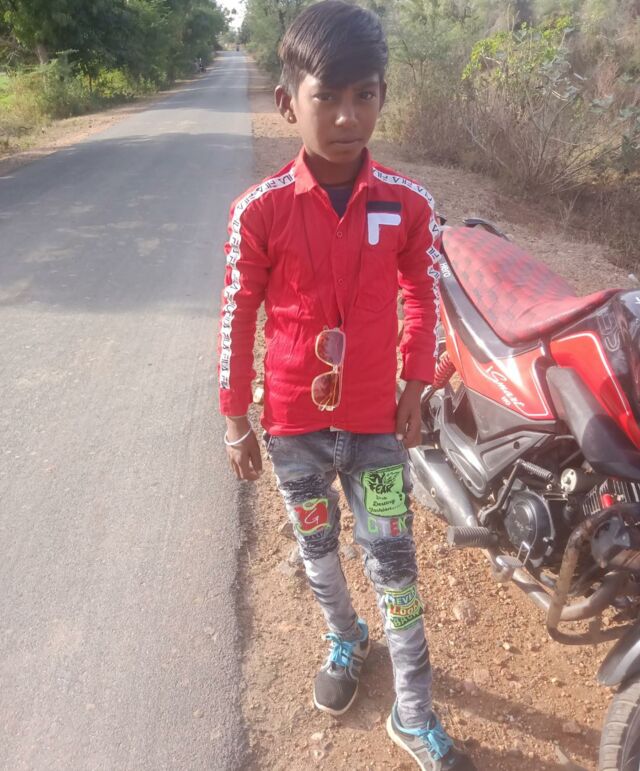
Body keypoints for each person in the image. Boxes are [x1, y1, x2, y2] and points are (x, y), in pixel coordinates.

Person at [217, 3, 476, 769]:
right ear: (287, 101)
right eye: (326, 96)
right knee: (316, 544)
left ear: (382, 97)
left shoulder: (407, 203)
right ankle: (345, 635)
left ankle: (414, 709)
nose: (345, 116)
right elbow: (237, 314)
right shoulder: (259, 211)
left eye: (364, 95)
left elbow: (424, 294)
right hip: (292, 429)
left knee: (393, 559)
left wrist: (417, 382)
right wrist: (236, 419)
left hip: (375, 429)